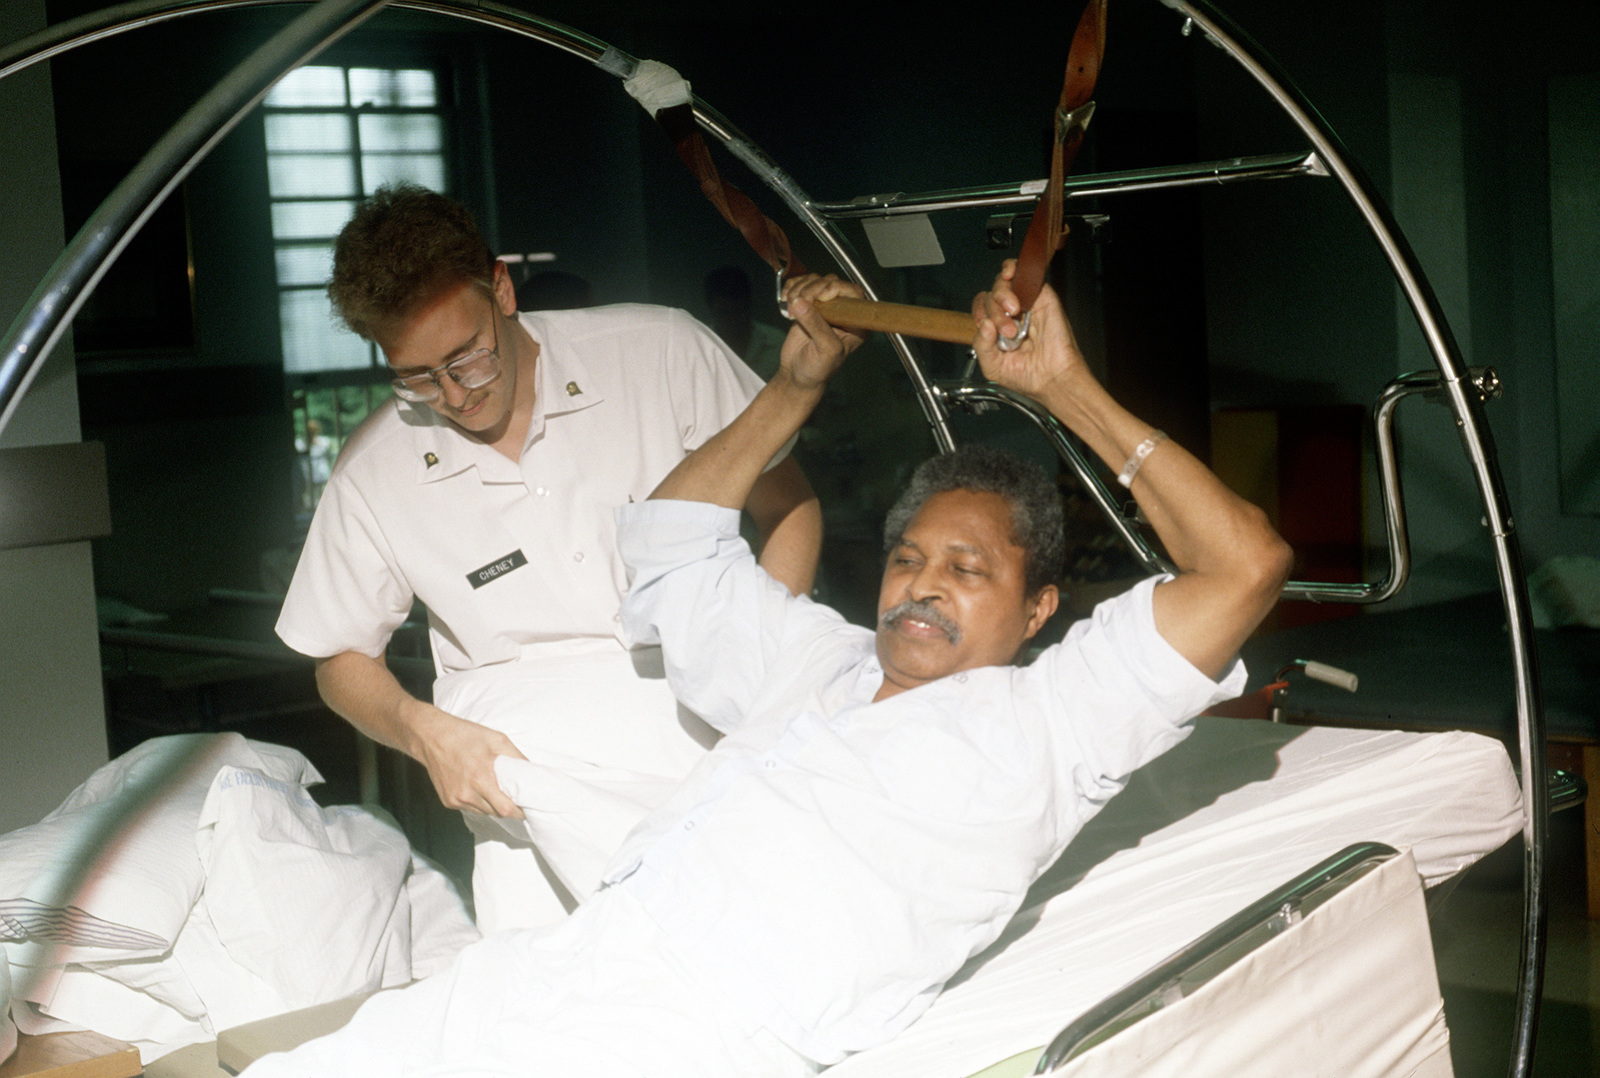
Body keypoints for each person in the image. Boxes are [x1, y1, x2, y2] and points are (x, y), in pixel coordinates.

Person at [245, 264, 1291, 1078]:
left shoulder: (1048, 723)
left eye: (967, 571)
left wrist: (1065, 387)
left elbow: (1245, 563)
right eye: (907, 558)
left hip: (698, 1034)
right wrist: (795, 384)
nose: (922, 586)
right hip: (571, 967)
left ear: (1040, 610)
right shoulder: (814, 661)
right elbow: (667, 537)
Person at [274, 183, 822, 933]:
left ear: (500, 287)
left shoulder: (658, 352)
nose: (454, 395)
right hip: (529, 813)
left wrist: (767, 674)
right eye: (416, 375)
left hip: (717, 744)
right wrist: (422, 731)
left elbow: (788, 507)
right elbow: (338, 655)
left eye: (465, 358)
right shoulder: (376, 466)